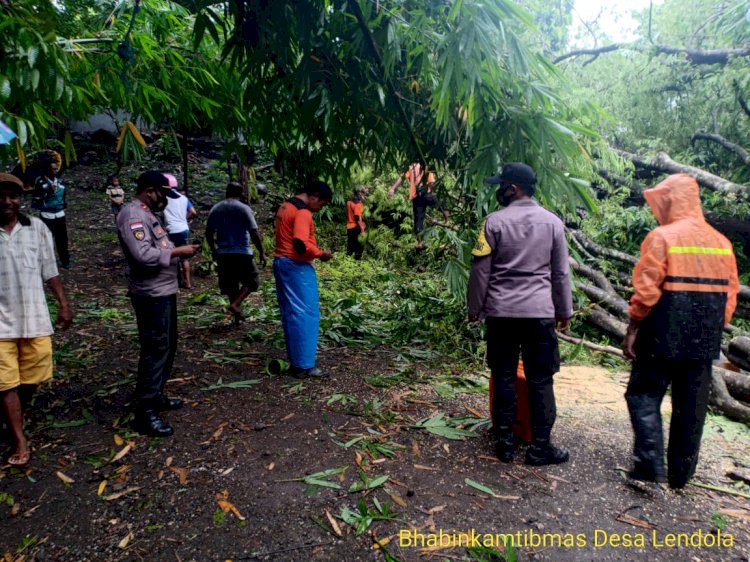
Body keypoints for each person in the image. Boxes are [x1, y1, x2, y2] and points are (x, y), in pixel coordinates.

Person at [622, 173, 739, 489]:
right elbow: (730, 297)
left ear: (671, 200)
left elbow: (647, 290)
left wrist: (634, 326)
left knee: (644, 394)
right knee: (692, 404)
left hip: (662, 330)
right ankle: (680, 475)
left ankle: (648, 468)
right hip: (703, 336)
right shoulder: (722, 243)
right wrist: (713, 327)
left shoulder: (662, 237)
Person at [467, 163, 573, 466]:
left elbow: (480, 272)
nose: (499, 190)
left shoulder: (493, 223)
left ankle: (505, 443)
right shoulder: (552, 223)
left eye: (502, 185)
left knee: (503, 375)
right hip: (539, 314)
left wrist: (475, 307)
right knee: (541, 379)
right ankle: (541, 447)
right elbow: (560, 273)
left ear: (513, 189)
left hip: (501, 314)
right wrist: (564, 310)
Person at [116, 171, 199, 437]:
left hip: (163, 290)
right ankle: (145, 412)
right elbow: (142, 255)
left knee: (168, 343)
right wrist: (177, 251)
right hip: (150, 293)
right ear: (150, 191)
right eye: (163, 194)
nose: (165, 200)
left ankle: (157, 394)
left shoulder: (147, 213)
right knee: (155, 348)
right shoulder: (132, 215)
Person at [0, 173, 73, 466]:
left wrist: (63, 304)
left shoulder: (37, 227)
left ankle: (12, 414)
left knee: (34, 375)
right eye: (1, 195)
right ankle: (18, 437)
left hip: (33, 316)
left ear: (21, 199)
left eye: (13, 196)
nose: (7, 202)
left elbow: (49, 270)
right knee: (5, 383)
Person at [273, 181, 333, 379]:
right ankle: (304, 365)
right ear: (314, 196)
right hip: (296, 266)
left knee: (291, 313)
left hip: (282, 262)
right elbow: (300, 242)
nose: (319, 208)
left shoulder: (286, 206)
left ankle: (296, 361)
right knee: (306, 314)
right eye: (321, 204)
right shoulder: (303, 212)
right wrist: (320, 253)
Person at [206, 181, 267, 324]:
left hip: (224, 253)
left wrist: (214, 250)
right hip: (242, 252)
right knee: (252, 280)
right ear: (240, 193)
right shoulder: (244, 209)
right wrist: (262, 252)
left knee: (231, 284)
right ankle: (235, 304)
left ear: (226, 191)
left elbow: (209, 232)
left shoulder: (216, 208)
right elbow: (254, 232)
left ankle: (236, 317)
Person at [388, 162, 449, 250]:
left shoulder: (425, 164)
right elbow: (402, 178)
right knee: (418, 219)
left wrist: (433, 191)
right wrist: (393, 188)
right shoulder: (410, 166)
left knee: (441, 202)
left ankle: (448, 221)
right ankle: (420, 242)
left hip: (426, 193)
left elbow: (431, 181)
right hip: (417, 196)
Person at [32, 152, 70, 268]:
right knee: (46, 240)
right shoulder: (40, 181)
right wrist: (48, 190)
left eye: (56, 169)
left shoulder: (60, 181)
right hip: (47, 215)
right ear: (47, 169)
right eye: (52, 169)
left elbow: (63, 196)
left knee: (62, 239)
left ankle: (65, 261)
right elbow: (36, 198)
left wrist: (64, 206)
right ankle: (47, 263)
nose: (55, 171)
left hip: (59, 214)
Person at [163, 173, 198, 290]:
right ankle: (187, 283)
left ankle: (174, 282)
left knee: (172, 255)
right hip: (183, 229)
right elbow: (193, 212)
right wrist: (185, 219)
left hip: (170, 230)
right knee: (184, 257)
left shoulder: (163, 198)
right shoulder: (184, 198)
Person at [346, 185, 368, 260]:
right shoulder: (358, 204)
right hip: (357, 228)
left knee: (350, 247)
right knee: (359, 248)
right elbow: (357, 217)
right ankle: (357, 264)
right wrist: (362, 230)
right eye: (362, 193)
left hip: (350, 227)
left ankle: (347, 263)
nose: (363, 195)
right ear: (358, 194)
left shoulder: (349, 201)